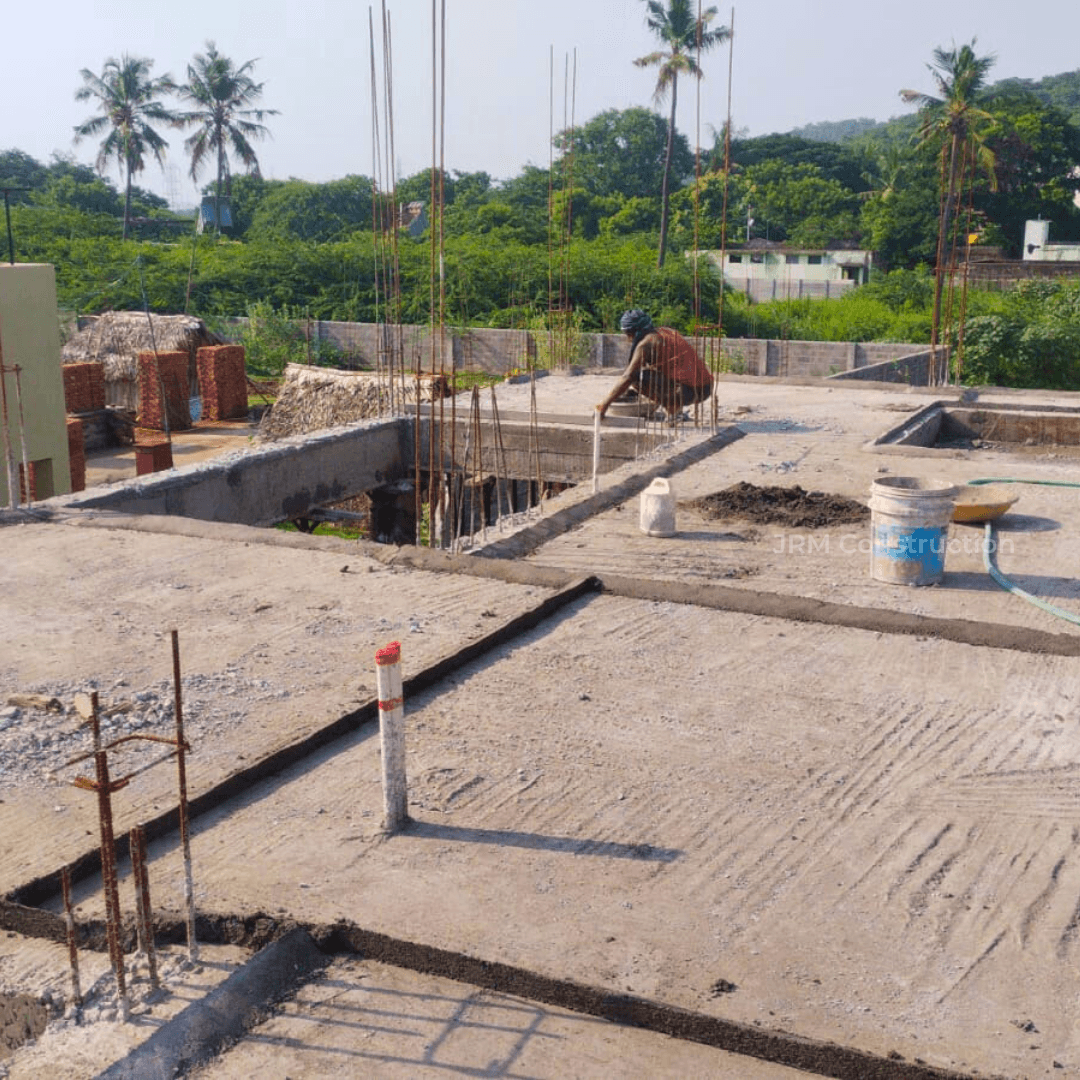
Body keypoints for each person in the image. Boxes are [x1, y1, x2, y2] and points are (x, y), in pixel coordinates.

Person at [596, 309, 713, 420]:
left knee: (637, 378)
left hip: (692, 391)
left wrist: (604, 405)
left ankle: (674, 411)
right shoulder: (667, 332)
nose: (628, 339)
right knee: (646, 372)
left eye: (628, 334)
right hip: (706, 388)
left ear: (635, 332)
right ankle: (675, 408)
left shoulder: (647, 343)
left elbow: (628, 376)